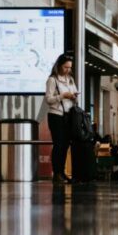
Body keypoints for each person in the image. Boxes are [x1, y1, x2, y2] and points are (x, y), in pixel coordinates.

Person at [44, 54, 79, 184]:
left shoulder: (70, 79)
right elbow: (48, 99)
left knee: (65, 145)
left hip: (68, 115)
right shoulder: (52, 80)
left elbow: (74, 94)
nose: (68, 70)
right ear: (59, 66)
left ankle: (62, 172)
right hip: (56, 115)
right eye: (65, 67)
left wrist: (74, 96)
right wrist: (62, 96)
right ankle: (56, 173)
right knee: (58, 145)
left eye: (69, 67)